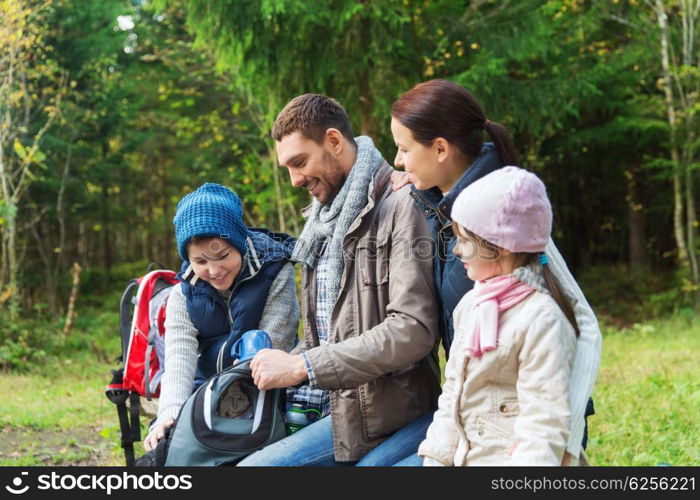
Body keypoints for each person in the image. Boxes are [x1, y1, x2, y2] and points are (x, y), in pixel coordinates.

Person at [359, 79, 600, 465]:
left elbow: (585, 323)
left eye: (404, 149)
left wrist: (566, 440)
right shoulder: (442, 209)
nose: (398, 161)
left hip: (524, 424)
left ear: (440, 148)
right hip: (472, 410)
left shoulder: (503, 214)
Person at [236, 93, 441, 466]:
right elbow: (326, 337)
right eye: (287, 168)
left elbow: (413, 329)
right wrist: (289, 360)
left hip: (388, 413)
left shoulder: (400, 204)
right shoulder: (321, 222)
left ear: (333, 141)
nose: (295, 179)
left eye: (299, 162)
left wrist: (304, 366)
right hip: (332, 407)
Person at [419, 166, 580, 465]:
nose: (457, 250)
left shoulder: (542, 319)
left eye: (464, 240)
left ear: (502, 246)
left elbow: (543, 424)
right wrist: (435, 459)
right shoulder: (472, 305)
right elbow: (452, 394)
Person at [143, 183, 299, 452]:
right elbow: (179, 358)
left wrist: (225, 417)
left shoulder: (275, 272)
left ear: (239, 243)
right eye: (200, 262)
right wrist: (169, 413)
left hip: (267, 387)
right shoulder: (183, 293)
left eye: (223, 256)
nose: (214, 270)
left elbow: (276, 347)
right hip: (207, 389)